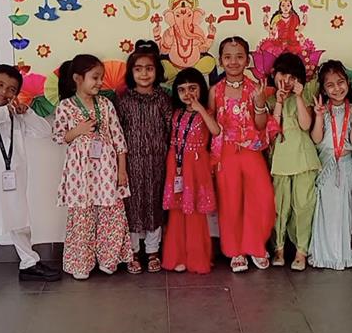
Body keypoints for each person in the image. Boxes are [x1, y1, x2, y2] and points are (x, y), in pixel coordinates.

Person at [0, 64, 60, 303]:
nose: (4, 92)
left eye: (11, 89)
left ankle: (29, 264)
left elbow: (44, 131)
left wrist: (26, 113)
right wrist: (4, 112)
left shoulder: (17, 117)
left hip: (15, 181)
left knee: (21, 223)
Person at [52, 54, 132, 280]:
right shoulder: (65, 106)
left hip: (106, 167)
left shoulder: (106, 105)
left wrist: (122, 170)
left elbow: (119, 139)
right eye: (95, 77)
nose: (100, 82)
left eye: (101, 78)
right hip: (79, 170)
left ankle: (109, 258)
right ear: (78, 78)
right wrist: (78, 130)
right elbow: (58, 137)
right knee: (81, 215)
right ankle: (81, 263)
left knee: (111, 212)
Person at [209, 36, 277, 272]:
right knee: (230, 202)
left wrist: (259, 103)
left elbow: (260, 125)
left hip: (251, 150)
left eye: (239, 57)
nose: (233, 62)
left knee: (263, 198)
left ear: (247, 60)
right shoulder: (215, 91)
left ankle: (256, 245)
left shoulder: (255, 88)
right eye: (228, 57)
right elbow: (211, 125)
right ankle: (235, 250)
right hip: (226, 153)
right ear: (220, 61)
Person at [115, 40, 173, 274]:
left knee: (155, 206)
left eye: (149, 68)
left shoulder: (163, 98)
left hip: (158, 163)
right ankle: (132, 252)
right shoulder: (124, 100)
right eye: (138, 69)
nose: (144, 74)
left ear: (157, 71)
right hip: (131, 165)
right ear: (131, 72)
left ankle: (152, 251)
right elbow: (117, 133)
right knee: (132, 207)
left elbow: (170, 129)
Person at [162, 68, 219, 273]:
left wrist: (200, 108)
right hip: (176, 164)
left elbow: (216, 131)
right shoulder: (176, 113)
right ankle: (177, 256)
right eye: (182, 90)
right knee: (177, 212)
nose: (188, 94)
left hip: (196, 165)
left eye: (192, 88)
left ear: (201, 89)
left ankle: (197, 258)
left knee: (194, 211)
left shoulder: (207, 112)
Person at [267, 52, 320, 271]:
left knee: (303, 206)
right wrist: (279, 102)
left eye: (292, 77)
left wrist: (298, 97)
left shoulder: (306, 96)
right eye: (283, 75)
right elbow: (272, 132)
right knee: (279, 206)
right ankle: (278, 248)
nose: (287, 81)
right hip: (280, 160)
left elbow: (306, 125)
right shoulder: (270, 99)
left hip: (303, 159)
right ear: (274, 74)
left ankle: (301, 251)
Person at [309, 60, 352, 270]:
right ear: (323, 89)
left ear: (348, 83)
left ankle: (341, 255)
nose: (337, 88)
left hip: (345, 164)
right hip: (325, 164)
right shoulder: (323, 109)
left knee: (342, 210)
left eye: (340, 82)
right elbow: (316, 139)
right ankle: (323, 255)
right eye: (330, 85)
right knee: (324, 210)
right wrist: (318, 116)